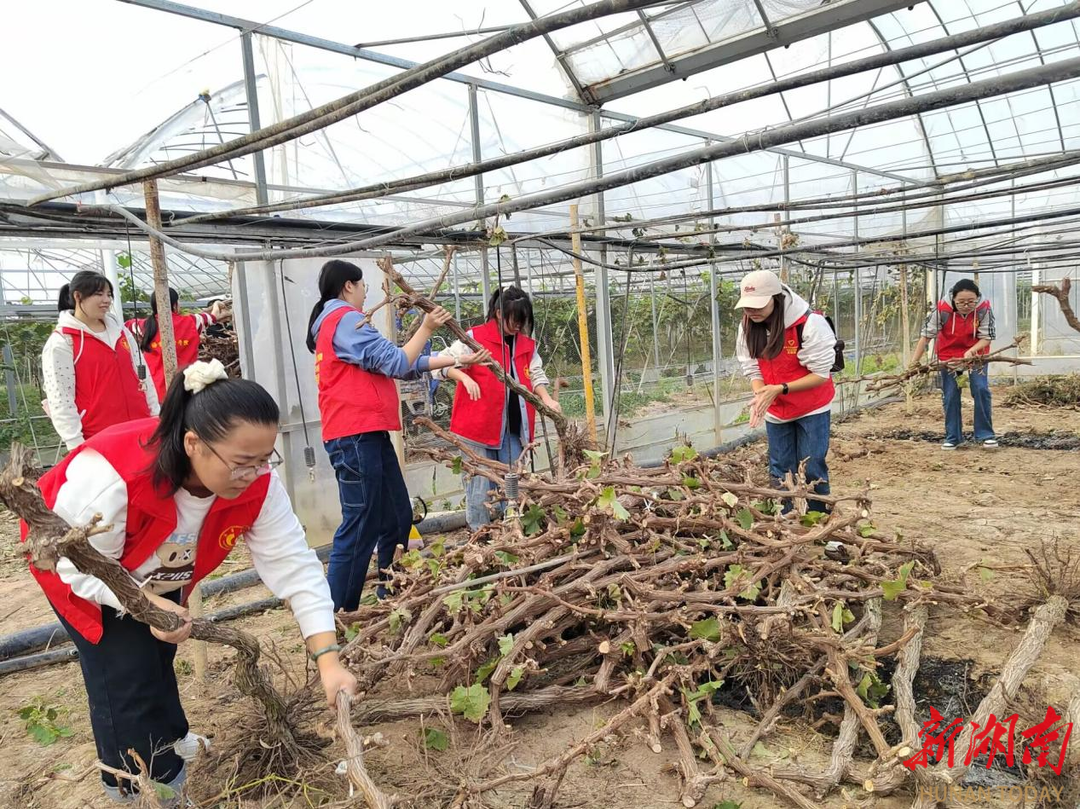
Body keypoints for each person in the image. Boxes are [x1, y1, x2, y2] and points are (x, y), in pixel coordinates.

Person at [23, 360, 355, 805]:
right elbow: (74, 562)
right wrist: (142, 602)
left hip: (159, 565)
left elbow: (295, 567)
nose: (254, 474)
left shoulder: (259, 482)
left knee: (162, 647)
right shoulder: (114, 477)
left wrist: (328, 660)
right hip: (81, 565)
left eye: (264, 460)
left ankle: (173, 737)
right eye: (241, 463)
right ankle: (139, 786)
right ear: (193, 443)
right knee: (126, 671)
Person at [307, 260, 489, 612]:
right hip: (353, 434)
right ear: (348, 286)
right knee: (361, 522)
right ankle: (335, 613)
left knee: (396, 517)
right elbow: (397, 363)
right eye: (363, 286)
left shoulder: (341, 323)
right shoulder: (344, 320)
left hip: (368, 433)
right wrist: (426, 326)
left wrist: (457, 361)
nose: (366, 293)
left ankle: (391, 593)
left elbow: (399, 363)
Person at [432, 286, 562, 530]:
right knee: (479, 484)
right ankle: (479, 534)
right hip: (476, 428)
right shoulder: (474, 338)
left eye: (523, 319)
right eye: (514, 318)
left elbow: (535, 374)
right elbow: (439, 365)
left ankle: (511, 531)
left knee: (513, 481)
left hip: (512, 429)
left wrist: (547, 399)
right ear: (499, 313)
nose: (518, 325)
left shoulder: (526, 344)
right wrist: (464, 377)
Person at [735, 269, 837, 514]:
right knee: (780, 466)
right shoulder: (748, 326)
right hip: (777, 409)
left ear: (777, 299)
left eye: (758, 305)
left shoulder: (809, 323)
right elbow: (752, 368)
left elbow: (821, 374)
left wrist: (780, 389)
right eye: (747, 306)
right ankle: (785, 516)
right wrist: (761, 396)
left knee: (811, 464)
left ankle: (817, 516)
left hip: (812, 406)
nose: (752, 311)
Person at [41, 270, 159, 451]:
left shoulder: (122, 332)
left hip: (142, 429)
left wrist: (155, 415)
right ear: (78, 296)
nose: (106, 300)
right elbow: (61, 399)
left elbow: (145, 377)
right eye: (99, 294)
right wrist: (76, 444)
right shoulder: (63, 341)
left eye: (109, 294)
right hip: (98, 438)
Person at [910, 278, 997, 450]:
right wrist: (914, 363)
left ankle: (985, 435)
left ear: (977, 298)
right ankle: (953, 437)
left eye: (971, 301)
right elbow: (926, 336)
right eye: (961, 302)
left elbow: (987, 337)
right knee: (950, 394)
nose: (966, 305)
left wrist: (971, 351)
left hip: (976, 354)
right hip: (948, 356)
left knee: (981, 389)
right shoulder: (942, 309)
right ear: (953, 299)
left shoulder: (983, 309)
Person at [127, 287, 230, 401]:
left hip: (156, 393)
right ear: (175, 305)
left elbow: (125, 326)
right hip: (186, 389)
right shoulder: (192, 321)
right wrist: (216, 305)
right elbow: (213, 317)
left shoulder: (143, 326)